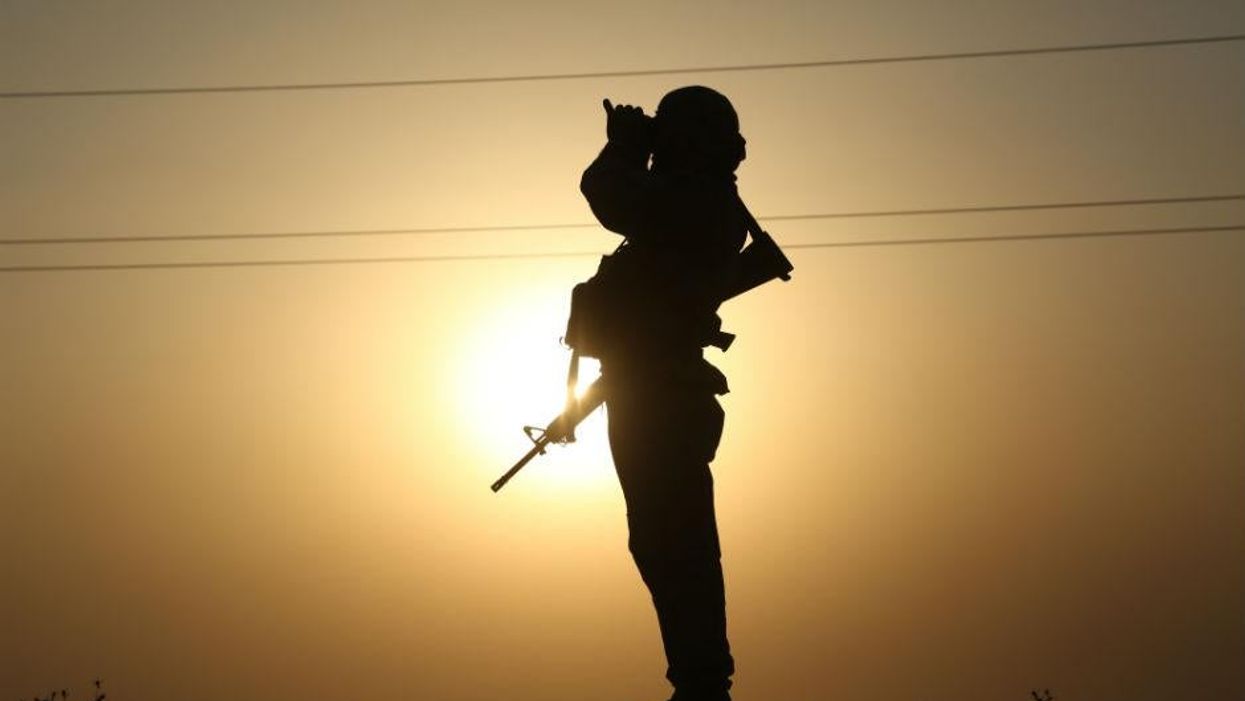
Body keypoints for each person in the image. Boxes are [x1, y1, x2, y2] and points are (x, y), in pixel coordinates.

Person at [579, 85, 751, 701]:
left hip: (666, 396)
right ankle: (698, 678)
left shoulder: (697, 203)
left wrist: (622, 148)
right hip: (651, 386)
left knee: (677, 542)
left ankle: (704, 681)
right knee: (660, 540)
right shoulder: (690, 201)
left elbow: (610, 196)